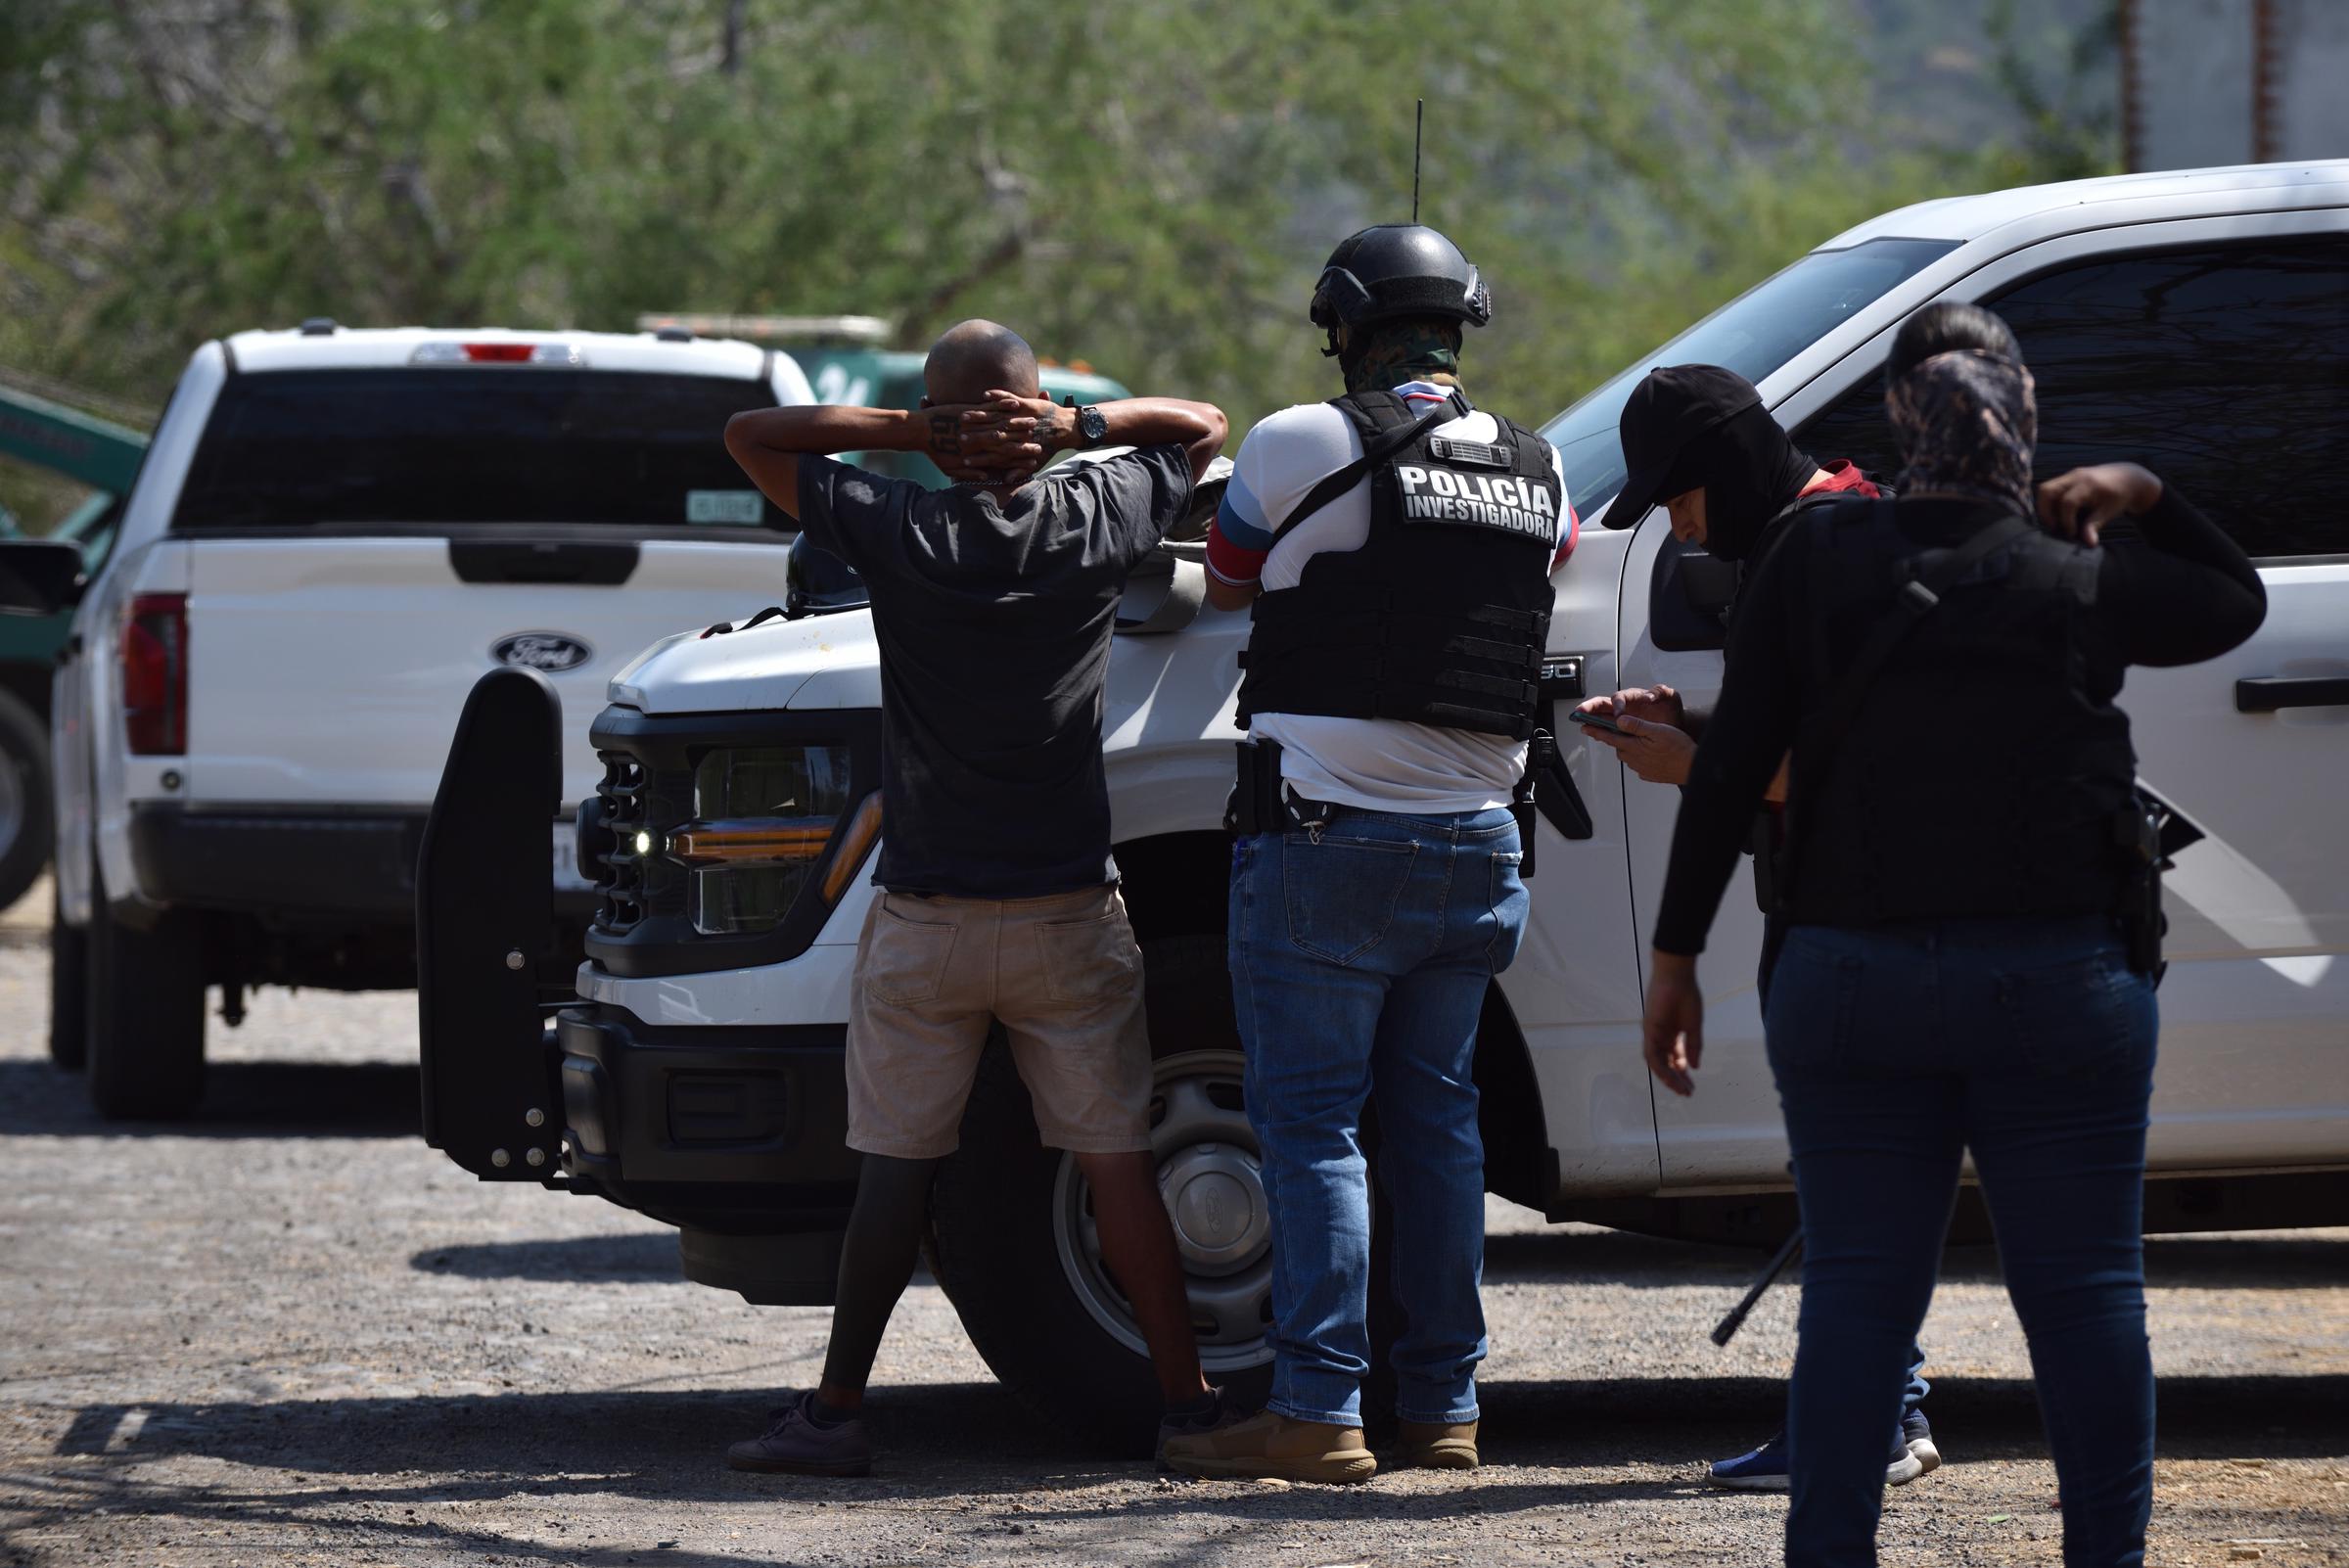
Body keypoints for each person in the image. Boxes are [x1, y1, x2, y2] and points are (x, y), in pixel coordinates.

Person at [1640, 301, 2266, 1566]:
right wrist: (2144, 487)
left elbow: (1731, 770)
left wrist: (1675, 958)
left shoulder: (1814, 558)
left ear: (1901, 433)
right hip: (2057, 988)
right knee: (2087, 1297)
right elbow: (2233, 601)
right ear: (2023, 435)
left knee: (1861, 1300)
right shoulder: (2077, 574)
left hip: (1848, 982)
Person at [717, 319, 1233, 1476]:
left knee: (896, 1169)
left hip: (928, 916)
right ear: (1037, 417)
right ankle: (1190, 1408)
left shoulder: (902, 527)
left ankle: (837, 1414)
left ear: (951, 435)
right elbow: (1203, 426)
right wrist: (1076, 429)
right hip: (1067, 911)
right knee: (1115, 1162)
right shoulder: (1095, 513)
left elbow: (751, 434)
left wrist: (921, 432)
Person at [1161, 225, 1573, 1485]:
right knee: (1439, 1129)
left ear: (1346, 329)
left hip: (1328, 847)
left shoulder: (1299, 442)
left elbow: (1227, 584)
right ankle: (1444, 1410)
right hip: (1478, 852)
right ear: (1461, 331)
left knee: (1315, 1130)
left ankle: (1319, 1413)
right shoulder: (1540, 466)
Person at [1575, 366, 1939, 1492]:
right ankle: (1888, 1411)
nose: (1684, 528)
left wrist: (1701, 769)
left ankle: (1861, 1428)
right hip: (1855, 907)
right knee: (1854, 1180)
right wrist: (1696, 722)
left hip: (1847, 915)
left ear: (1726, 469)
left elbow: (1850, 768)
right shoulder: (1841, 526)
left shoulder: (1812, 550)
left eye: (1682, 501)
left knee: (1846, 1180)